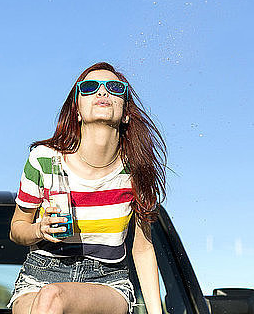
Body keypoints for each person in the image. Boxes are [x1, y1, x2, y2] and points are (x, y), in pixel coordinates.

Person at [9, 62, 166, 314]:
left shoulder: (135, 170)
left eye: (114, 88)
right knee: (48, 298)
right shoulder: (44, 160)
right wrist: (40, 228)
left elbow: (143, 248)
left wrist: (157, 312)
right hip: (39, 276)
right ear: (78, 111)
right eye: (90, 87)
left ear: (125, 112)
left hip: (108, 282)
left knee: (52, 298)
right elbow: (17, 230)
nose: (102, 93)